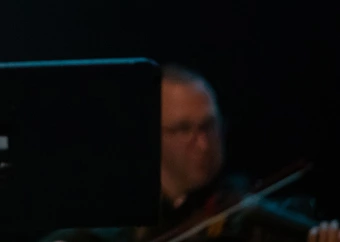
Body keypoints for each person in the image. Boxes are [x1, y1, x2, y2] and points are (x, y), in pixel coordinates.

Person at [39, 64, 338, 242]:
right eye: (184, 129)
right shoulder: (111, 217)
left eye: (209, 126)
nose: (203, 143)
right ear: (151, 136)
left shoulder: (248, 209)